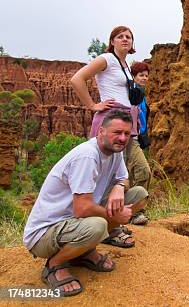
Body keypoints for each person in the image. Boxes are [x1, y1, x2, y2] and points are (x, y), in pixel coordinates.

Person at [23, 110, 149, 297]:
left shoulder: (114, 152)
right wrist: (118, 216)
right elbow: (81, 209)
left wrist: (119, 187)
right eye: (117, 132)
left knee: (139, 195)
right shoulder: (87, 156)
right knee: (97, 225)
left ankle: (84, 251)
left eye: (126, 134)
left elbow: (124, 179)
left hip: (73, 222)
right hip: (44, 234)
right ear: (101, 131)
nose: (122, 138)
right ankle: (54, 265)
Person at [70, 26, 151, 233]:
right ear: (112, 41)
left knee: (141, 169)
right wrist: (92, 105)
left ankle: (126, 215)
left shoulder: (125, 65)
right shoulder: (106, 58)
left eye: (129, 37)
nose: (125, 39)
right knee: (106, 174)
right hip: (110, 121)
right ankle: (106, 225)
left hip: (127, 123)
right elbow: (77, 79)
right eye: (120, 36)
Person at [129, 61, 150, 225]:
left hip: (135, 139)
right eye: (141, 75)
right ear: (134, 76)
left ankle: (133, 211)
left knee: (136, 173)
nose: (144, 78)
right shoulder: (130, 92)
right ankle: (135, 212)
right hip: (126, 138)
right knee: (143, 170)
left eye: (146, 76)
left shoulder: (141, 94)